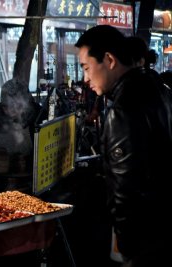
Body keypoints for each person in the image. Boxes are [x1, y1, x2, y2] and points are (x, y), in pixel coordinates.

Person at [75, 25, 172, 266]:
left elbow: (125, 190)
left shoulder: (123, 109)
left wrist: (127, 249)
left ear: (109, 59)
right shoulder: (157, 87)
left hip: (145, 238)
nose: (85, 79)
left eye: (87, 68)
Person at [0, 79, 47, 193]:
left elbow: (46, 151)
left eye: (16, 106)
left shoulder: (39, 115)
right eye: (6, 106)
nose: (10, 110)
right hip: (1, 180)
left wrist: (29, 161)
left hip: (32, 180)